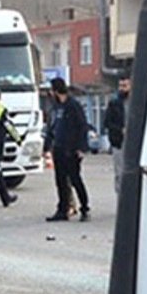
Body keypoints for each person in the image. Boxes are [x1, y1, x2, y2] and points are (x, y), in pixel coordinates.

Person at [43, 77, 90, 222]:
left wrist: (82, 148)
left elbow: (82, 126)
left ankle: (84, 208)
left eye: (52, 90)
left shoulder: (73, 105)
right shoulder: (56, 107)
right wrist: (47, 146)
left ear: (56, 90)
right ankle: (62, 210)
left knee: (75, 180)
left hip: (71, 149)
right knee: (60, 181)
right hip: (58, 148)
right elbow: (51, 127)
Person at [103, 77, 131, 194]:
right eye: (120, 86)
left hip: (134, 142)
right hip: (119, 142)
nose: (122, 89)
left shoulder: (137, 102)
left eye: (125, 86)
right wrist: (120, 130)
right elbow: (107, 122)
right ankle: (120, 201)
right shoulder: (114, 102)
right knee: (119, 173)